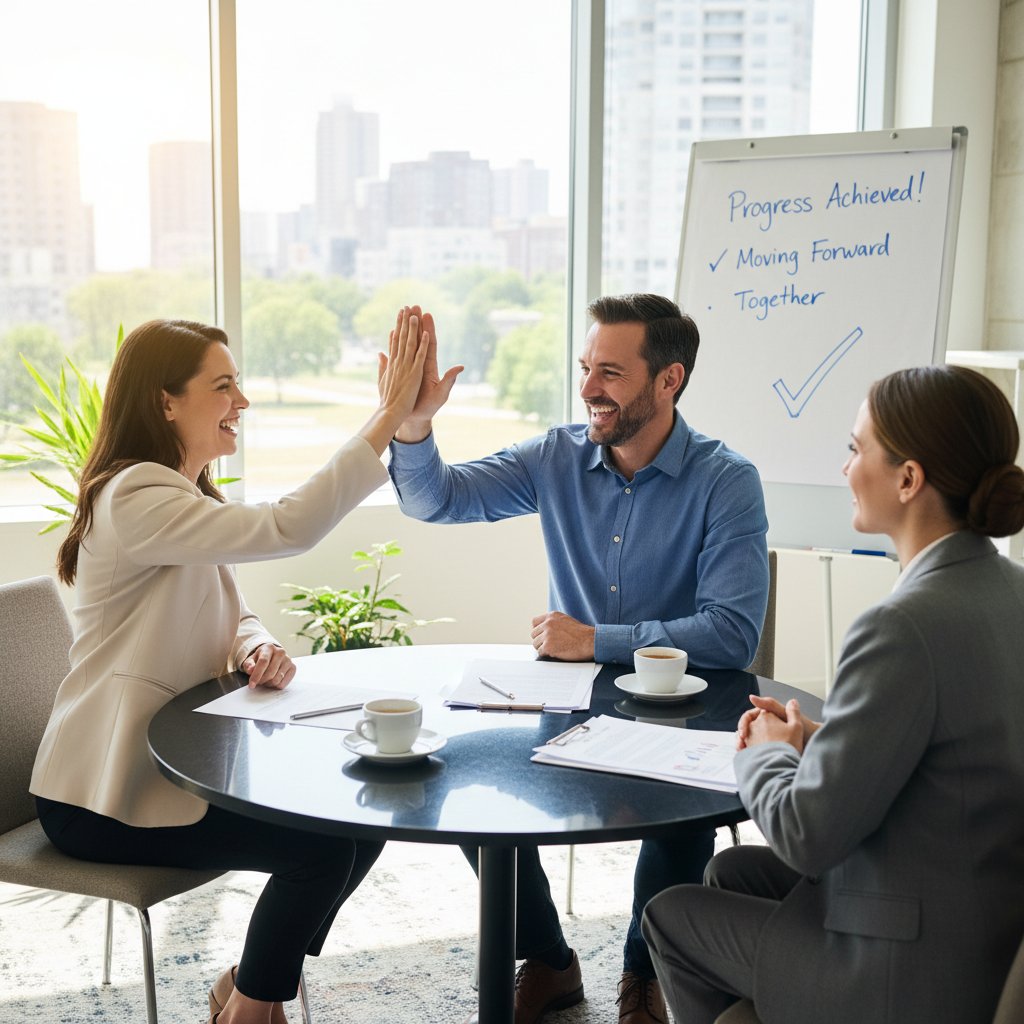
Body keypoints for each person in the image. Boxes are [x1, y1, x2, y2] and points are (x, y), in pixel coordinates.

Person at [30, 311, 428, 1024]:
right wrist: (387, 416)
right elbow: (287, 527)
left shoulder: (175, 498)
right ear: (165, 401)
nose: (240, 402)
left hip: (170, 768)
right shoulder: (135, 496)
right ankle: (253, 1007)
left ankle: (249, 988)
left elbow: (223, 602)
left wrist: (250, 645)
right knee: (327, 842)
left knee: (361, 814)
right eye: (223, 386)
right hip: (102, 796)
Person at [386, 293, 770, 1024]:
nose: (590, 388)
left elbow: (731, 634)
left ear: (669, 381)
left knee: (680, 817)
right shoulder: (556, 456)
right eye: (587, 368)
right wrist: (413, 423)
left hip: (686, 710)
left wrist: (595, 640)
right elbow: (437, 500)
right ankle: (552, 959)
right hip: (569, 702)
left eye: (612, 373)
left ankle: (646, 973)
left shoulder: (726, 481)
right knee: (465, 784)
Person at [643, 364, 1024, 1024]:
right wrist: (816, 739)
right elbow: (953, 759)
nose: (845, 468)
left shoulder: (902, 626)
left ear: (908, 480)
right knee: (731, 877)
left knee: (670, 915)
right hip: (982, 919)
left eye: (855, 449)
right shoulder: (1007, 591)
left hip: (908, 969)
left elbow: (806, 836)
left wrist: (764, 753)